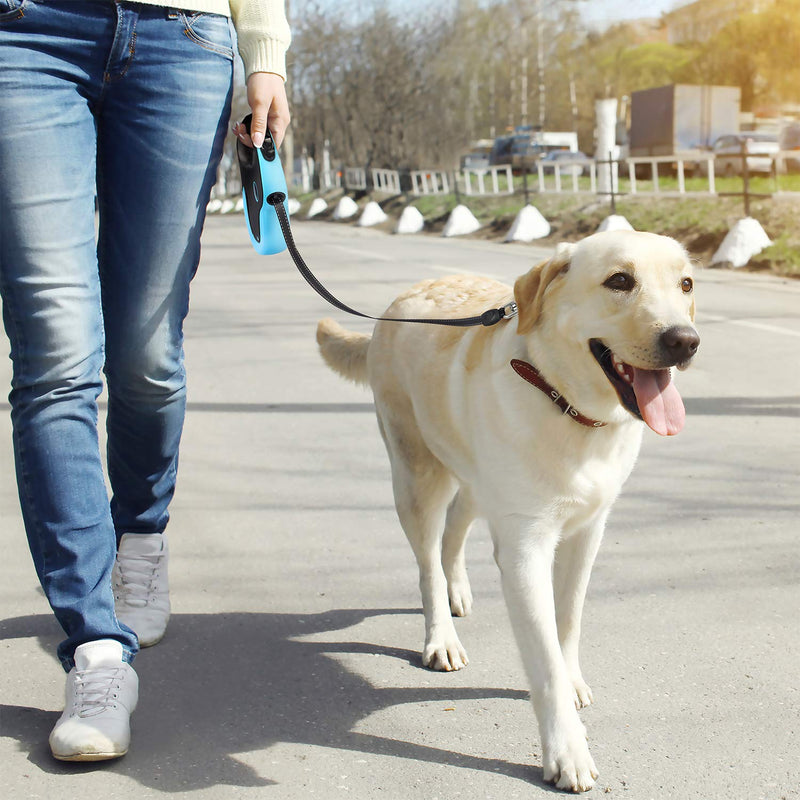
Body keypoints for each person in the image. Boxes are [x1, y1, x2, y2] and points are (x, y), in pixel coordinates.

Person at [0, 0, 290, 761]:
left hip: (183, 35)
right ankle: (97, 650)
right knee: (57, 358)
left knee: (146, 356)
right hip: (22, 31)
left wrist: (265, 50)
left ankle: (141, 536)